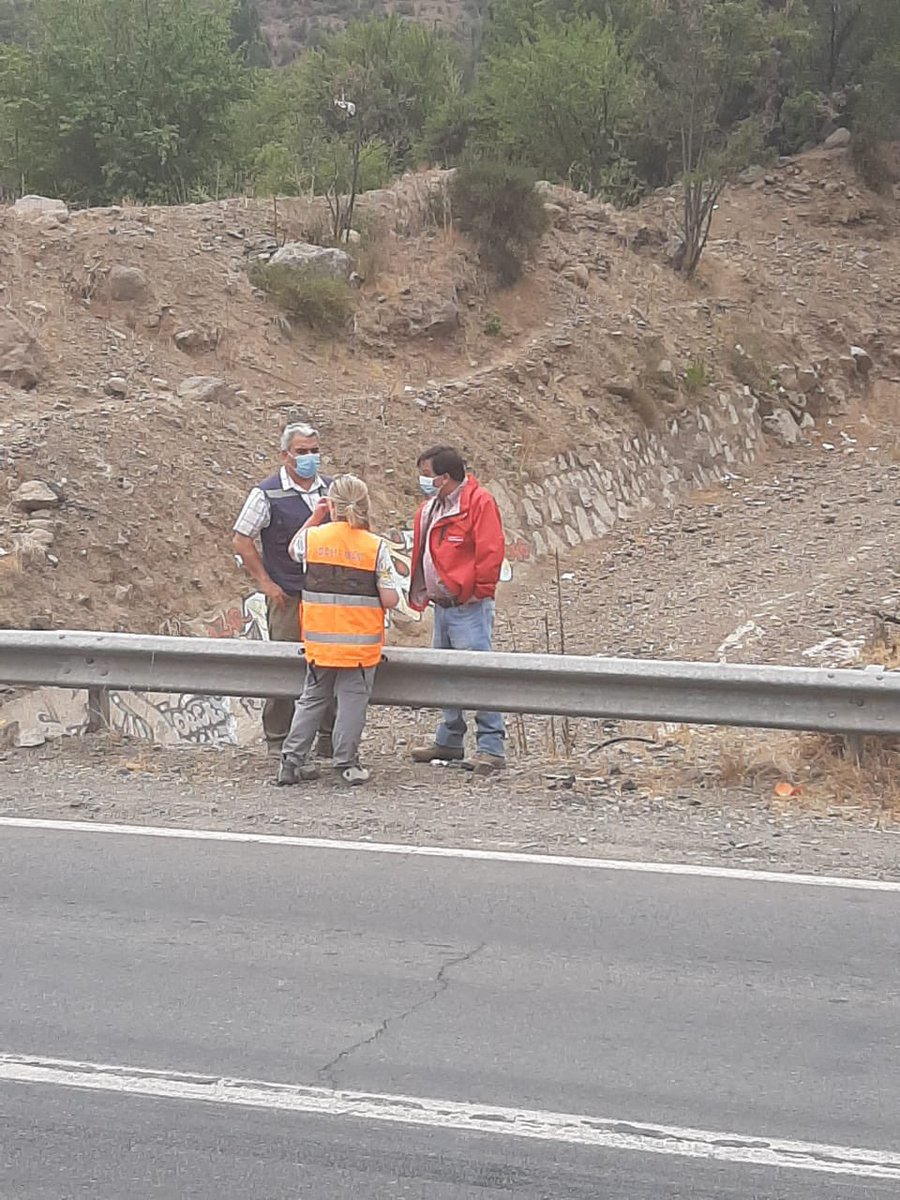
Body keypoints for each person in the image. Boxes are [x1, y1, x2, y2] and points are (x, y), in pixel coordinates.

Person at [277, 474, 399, 787]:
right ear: (366, 505)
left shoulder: (313, 538)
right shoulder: (374, 547)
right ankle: (346, 763)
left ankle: (291, 762)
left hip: (319, 644)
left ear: (331, 505)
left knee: (312, 699)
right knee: (352, 703)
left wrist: (316, 517)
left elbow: (292, 549)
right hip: (359, 647)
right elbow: (389, 598)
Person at [232, 421, 335, 756]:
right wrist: (266, 583)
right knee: (286, 669)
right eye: (301, 452)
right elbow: (242, 539)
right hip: (288, 596)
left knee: (330, 668)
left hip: (329, 599)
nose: (309, 458)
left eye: (313, 451)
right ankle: (278, 741)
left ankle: (328, 738)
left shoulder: (332, 490)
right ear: (285, 454)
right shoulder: (266, 492)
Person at [408, 445, 507, 776]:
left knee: (479, 675)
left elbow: (490, 552)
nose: (422, 481)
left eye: (426, 475)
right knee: (446, 672)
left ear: (444, 478)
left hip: (468, 607)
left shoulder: (479, 503)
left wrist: (475, 593)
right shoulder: (432, 507)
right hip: (443, 606)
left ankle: (491, 747)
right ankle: (449, 739)